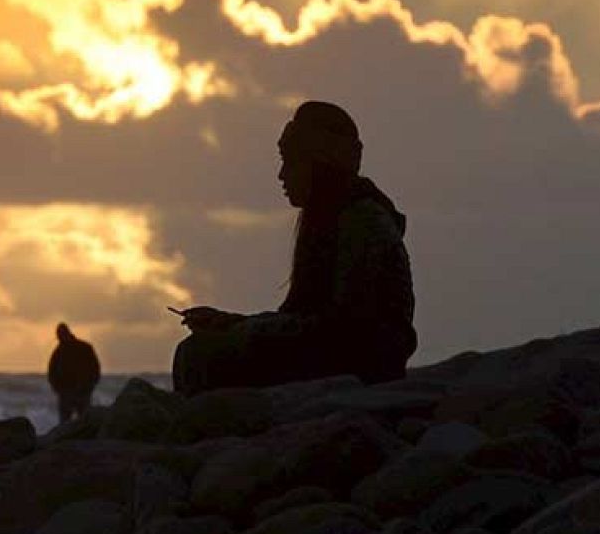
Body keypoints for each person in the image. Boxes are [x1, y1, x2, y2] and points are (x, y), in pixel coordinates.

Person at [171, 101, 416, 396]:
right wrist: (233, 323)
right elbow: (305, 318)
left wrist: (244, 331)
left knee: (198, 356)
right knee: (199, 352)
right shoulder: (337, 218)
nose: (281, 176)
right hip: (337, 356)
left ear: (319, 165)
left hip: (359, 364)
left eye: (290, 162)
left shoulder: (362, 221)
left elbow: (344, 329)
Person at [47, 323, 102, 423]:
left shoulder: (85, 348)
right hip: (66, 393)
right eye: (59, 336)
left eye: (61, 335)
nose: (60, 338)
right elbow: (51, 373)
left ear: (67, 333)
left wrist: (89, 387)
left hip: (83, 392)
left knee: (84, 422)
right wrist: (58, 389)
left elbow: (95, 369)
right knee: (65, 424)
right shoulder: (58, 352)